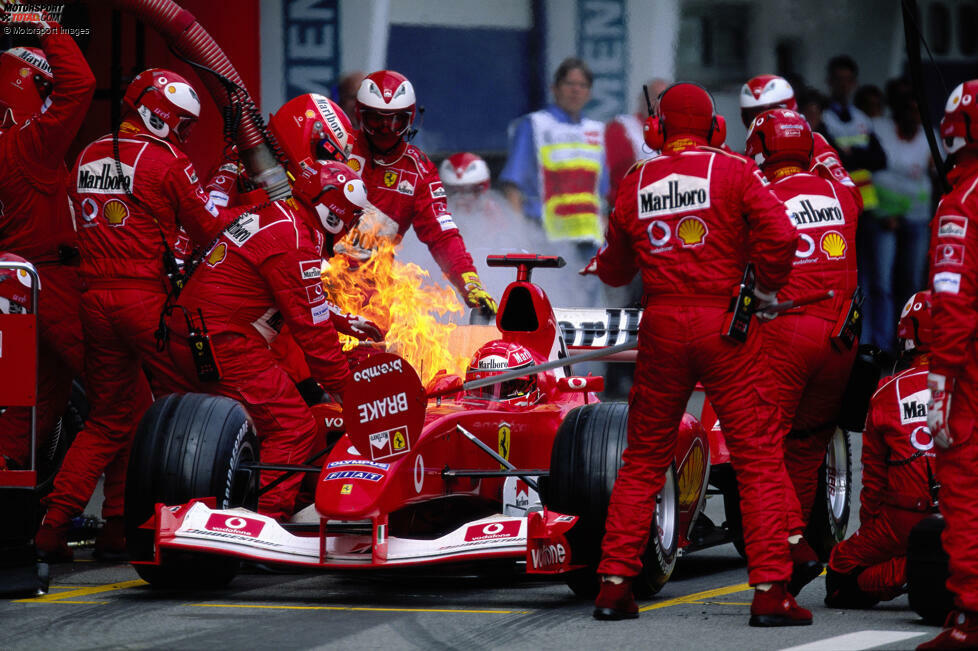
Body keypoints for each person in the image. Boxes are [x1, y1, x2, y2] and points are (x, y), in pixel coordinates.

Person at [585, 82, 808, 626]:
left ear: (657, 129)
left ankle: (614, 585)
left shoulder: (636, 180)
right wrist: (767, 287)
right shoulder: (733, 170)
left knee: (642, 459)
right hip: (724, 326)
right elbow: (781, 236)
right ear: (715, 128)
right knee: (755, 455)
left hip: (660, 325)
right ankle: (771, 590)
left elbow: (614, 269)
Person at [36, 68, 235, 560]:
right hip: (145, 301)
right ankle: (184, 522)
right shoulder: (167, 161)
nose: (184, 135)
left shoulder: (85, 153)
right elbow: (208, 229)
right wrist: (235, 188)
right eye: (183, 124)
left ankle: (65, 526)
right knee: (187, 406)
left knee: (112, 417)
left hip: (92, 301)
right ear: (160, 114)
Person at [169, 160, 375, 520]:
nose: (350, 229)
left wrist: (345, 320)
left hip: (197, 331)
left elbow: (292, 296)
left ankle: (290, 501)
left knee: (289, 423)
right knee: (293, 426)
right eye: (351, 219)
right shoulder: (295, 240)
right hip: (222, 339)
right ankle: (266, 521)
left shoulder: (282, 215)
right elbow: (312, 332)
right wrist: (349, 394)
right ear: (333, 214)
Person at [745, 108, 863, 583]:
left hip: (787, 334)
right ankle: (789, 552)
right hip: (843, 339)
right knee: (806, 447)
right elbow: (831, 162)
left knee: (762, 444)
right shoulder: (844, 194)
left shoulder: (758, 196)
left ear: (760, 151)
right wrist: (810, 137)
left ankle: (792, 544)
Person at [0, 24, 95, 470]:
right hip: (51, 283)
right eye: (47, 90)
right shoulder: (29, 145)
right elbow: (82, 83)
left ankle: (24, 514)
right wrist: (46, 25)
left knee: (26, 404)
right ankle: (126, 521)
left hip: (14, 288)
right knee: (125, 402)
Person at [342, 70, 496, 315]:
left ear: (410, 119)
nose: (386, 129)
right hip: (317, 278)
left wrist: (470, 284)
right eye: (376, 119)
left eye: (395, 121)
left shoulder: (420, 171)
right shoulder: (338, 147)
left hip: (371, 293)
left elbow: (443, 236)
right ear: (359, 115)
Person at [825, 291, 937, 608]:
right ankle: (950, 562)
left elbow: (873, 485)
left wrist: (873, 533)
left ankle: (913, 570)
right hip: (966, 515)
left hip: (905, 517)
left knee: (839, 578)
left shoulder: (887, 392)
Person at [918, 79, 978, 649]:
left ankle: (970, 616)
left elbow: (953, 302)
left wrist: (941, 380)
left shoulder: (961, 203)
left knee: (964, 484)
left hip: (972, 366)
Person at [500, 57, 608, 303]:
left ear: (589, 92)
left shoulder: (596, 130)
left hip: (588, 238)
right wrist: (519, 233)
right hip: (546, 234)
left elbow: (600, 193)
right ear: (555, 88)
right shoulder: (535, 125)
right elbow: (512, 186)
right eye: (569, 83)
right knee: (554, 306)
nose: (575, 90)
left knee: (587, 312)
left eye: (582, 85)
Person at [871, 83, 935, 350]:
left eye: (919, 110)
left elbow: (939, 175)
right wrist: (878, 211)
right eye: (910, 110)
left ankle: (908, 341)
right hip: (882, 217)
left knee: (911, 281)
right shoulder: (880, 130)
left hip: (918, 218)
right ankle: (882, 346)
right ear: (899, 112)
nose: (916, 116)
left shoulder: (930, 135)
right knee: (882, 282)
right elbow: (865, 171)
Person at [739, 74, 854, 187]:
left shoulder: (814, 143)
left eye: (773, 113)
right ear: (745, 119)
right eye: (755, 114)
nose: (764, 120)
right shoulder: (743, 161)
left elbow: (849, 194)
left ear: (791, 111)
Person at [605, 78, 669, 203]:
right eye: (654, 97)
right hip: (631, 209)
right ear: (642, 100)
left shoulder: (677, 134)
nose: (659, 103)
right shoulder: (622, 129)